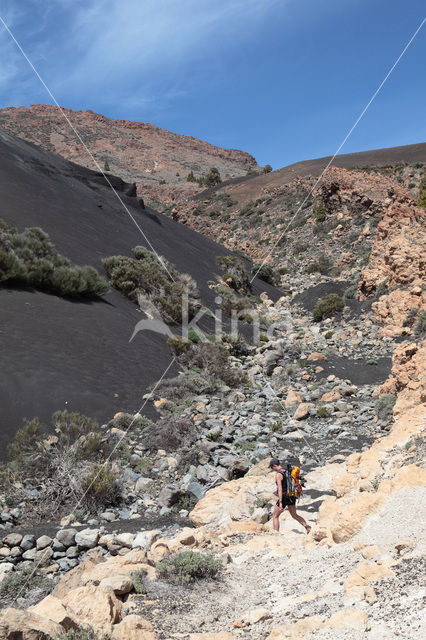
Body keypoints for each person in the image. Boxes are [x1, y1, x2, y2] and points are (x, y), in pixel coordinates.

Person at [269, 458, 311, 533]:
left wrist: (281, 502)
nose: (272, 469)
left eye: (272, 467)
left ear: (275, 465)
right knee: (294, 515)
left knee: (275, 516)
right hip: (292, 496)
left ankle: (275, 534)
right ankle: (307, 527)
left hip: (284, 497)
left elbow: (280, 489)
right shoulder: (288, 471)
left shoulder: (279, 474)